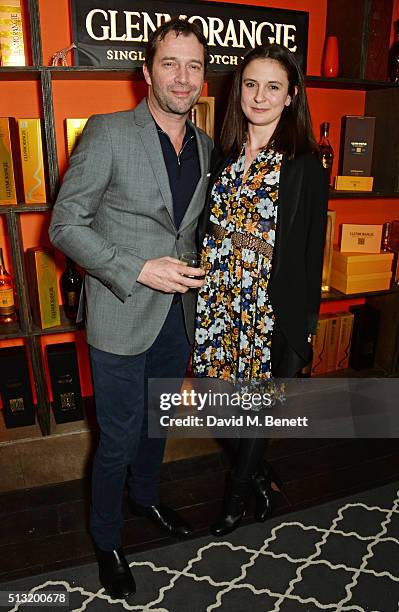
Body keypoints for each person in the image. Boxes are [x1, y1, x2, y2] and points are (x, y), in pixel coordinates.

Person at [49, 18, 212, 600]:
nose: (182, 77)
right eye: (170, 63)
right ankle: (107, 538)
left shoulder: (207, 145)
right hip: (121, 312)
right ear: (146, 72)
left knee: (157, 424)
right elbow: (64, 225)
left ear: (203, 78)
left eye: (194, 66)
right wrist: (137, 267)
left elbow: (187, 229)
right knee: (117, 438)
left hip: (178, 316)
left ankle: (146, 500)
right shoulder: (109, 131)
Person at [193, 43, 328, 536]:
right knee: (213, 400)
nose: (260, 96)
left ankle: (238, 490)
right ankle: (259, 476)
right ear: (238, 91)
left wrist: (304, 325)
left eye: (273, 87)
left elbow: (311, 251)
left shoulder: (304, 164)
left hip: (267, 304)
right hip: (218, 297)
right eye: (251, 84)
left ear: (291, 96)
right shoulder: (221, 154)